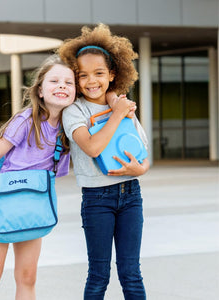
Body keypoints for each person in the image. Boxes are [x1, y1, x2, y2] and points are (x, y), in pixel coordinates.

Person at [0, 54, 76, 300]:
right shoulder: (26, 120)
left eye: (69, 83)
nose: (62, 86)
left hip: (33, 206)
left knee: (28, 277)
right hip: (1, 204)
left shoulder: (68, 128)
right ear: (39, 91)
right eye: (54, 81)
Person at [57, 23, 149, 299]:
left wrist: (140, 169)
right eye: (82, 75)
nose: (91, 81)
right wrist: (117, 113)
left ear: (112, 74)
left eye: (99, 73)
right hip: (97, 199)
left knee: (131, 273)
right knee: (99, 275)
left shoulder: (120, 104)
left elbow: (142, 153)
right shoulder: (74, 111)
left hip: (131, 195)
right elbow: (93, 148)